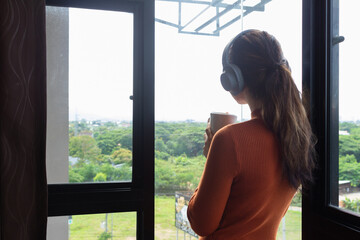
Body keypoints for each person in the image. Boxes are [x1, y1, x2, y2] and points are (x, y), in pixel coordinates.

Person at [187, 29, 316, 240]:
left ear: (232, 78)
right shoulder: (296, 137)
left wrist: (212, 156)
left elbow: (201, 223)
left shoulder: (229, 140)